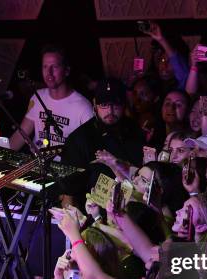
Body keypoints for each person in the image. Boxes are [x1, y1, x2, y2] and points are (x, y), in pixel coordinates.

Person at [60, 78, 144, 206]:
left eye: (115, 105)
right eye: (104, 105)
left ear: (124, 105)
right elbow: (69, 193)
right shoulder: (79, 138)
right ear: (94, 104)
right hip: (92, 212)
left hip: (133, 207)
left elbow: (143, 176)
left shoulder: (136, 132)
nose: (110, 111)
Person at [9, 44, 93, 150]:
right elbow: (22, 134)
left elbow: (91, 147)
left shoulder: (83, 106)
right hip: (37, 162)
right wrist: (1, 155)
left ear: (66, 71)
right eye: (45, 66)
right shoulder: (37, 97)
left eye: (54, 67)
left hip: (65, 165)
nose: (49, 72)